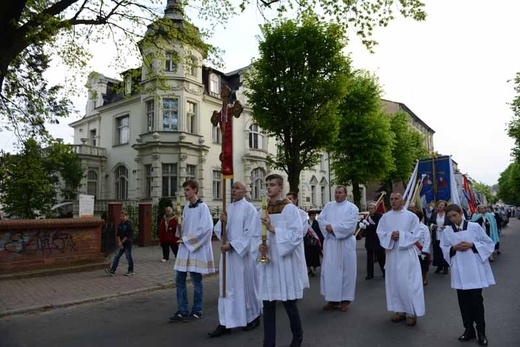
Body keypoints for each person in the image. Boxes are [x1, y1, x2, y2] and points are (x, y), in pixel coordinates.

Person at [255, 173, 308, 347]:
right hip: (269, 262)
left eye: (272, 185)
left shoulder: (290, 209)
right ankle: (268, 343)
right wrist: (259, 246)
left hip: (285, 263)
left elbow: (295, 236)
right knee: (268, 306)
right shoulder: (262, 209)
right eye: (267, 184)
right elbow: (254, 234)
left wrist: (272, 229)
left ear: (280, 187)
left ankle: (297, 337)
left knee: (289, 304)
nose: (268, 187)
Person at [208, 181, 262, 337]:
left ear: (245, 191)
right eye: (233, 187)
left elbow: (250, 234)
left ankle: (253, 316)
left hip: (242, 256)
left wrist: (232, 245)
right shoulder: (228, 208)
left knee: (244, 287)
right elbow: (219, 231)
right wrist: (223, 222)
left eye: (237, 188)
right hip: (228, 257)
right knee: (226, 288)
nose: (234, 190)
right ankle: (225, 321)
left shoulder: (249, 209)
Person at [441, 204, 495, 346]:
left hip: (475, 271)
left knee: (477, 303)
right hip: (460, 272)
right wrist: (453, 247)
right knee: (463, 303)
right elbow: (444, 248)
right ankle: (469, 330)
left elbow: (489, 243)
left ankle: (481, 332)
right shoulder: (447, 232)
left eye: (454, 215)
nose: (453, 219)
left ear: (460, 213)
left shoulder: (474, 227)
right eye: (450, 217)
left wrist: (472, 245)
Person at [169, 180, 215, 322]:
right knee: (179, 279)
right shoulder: (187, 208)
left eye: (188, 189)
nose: (185, 192)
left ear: (195, 190)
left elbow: (207, 228)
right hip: (185, 248)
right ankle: (182, 310)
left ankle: (197, 309)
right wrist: (179, 226)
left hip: (196, 248)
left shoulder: (203, 207)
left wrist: (188, 240)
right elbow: (183, 227)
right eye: (184, 190)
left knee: (196, 280)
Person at [376, 192, 424, 327]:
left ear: (402, 201)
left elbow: (417, 233)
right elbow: (380, 232)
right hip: (392, 253)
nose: (393, 201)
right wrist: (390, 235)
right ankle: (399, 310)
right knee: (394, 282)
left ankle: (411, 312)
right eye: (391, 199)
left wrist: (401, 235)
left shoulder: (411, 217)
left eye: (396, 198)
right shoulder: (385, 217)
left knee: (408, 283)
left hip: (406, 253)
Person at [317, 186, 359, 312]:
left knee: (347, 271)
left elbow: (350, 225)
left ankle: (345, 299)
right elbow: (321, 219)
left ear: (345, 194)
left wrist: (333, 228)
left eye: (340, 192)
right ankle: (333, 299)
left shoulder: (352, 208)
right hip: (331, 244)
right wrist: (328, 228)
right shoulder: (328, 206)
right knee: (331, 272)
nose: (337, 194)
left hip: (345, 243)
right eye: (336, 192)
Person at [359, 201, 385, 280]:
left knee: (381, 257)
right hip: (369, 240)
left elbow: (377, 227)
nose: (370, 210)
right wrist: (362, 227)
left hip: (377, 240)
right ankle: (370, 274)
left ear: (375, 208)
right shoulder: (367, 217)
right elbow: (364, 230)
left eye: (372, 208)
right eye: (369, 208)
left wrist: (368, 225)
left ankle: (385, 272)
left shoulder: (379, 216)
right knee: (369, 258)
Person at [105, 210, 135, 276]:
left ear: (127, 216)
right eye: (121, 216)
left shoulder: (129, 224)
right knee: (117, 256)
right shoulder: (120, 225)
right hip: (122, 243)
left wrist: (121, 242)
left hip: (127, 243)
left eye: (123, 216)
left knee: (128, 256)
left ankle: (131, 270)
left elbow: (128, 235)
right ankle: (112, 270)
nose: (122, 217)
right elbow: (118, 234)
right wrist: (119, 242)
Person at [428, 200, 452, 274]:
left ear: (445, 206)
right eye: (439, 205)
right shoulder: (434, 214)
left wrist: (446, 227)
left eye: (442, 205)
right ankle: (439, 266)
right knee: (437, 251)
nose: (440, 206)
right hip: (436, 235)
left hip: (445, 236)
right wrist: (432, 226)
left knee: (444, 251)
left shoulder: (447, 214)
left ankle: (445, 267)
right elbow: (430, 222)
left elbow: (452, 224)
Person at [413, 209, 431, 286]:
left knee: (423, 267)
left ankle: (424, 278)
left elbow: (427, 240)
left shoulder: (424, 228)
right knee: (413, 268)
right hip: (412, 251)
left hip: (421, 251)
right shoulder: (409, 227)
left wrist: (424, 251)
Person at [304, 210, 323, 277]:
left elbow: (319, 233)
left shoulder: (317, 223)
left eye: (314, 215)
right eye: (312, 215)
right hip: (307, 242)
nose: (313, 216)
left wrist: (321, 242)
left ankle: (314, 270)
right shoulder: (305, 223)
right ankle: (309, 269)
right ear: (309, 216)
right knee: (307, 257)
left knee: (314, 257)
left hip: (315, 243)